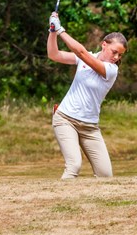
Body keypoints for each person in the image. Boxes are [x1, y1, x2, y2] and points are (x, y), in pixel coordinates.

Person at [47, 12, 127, 180]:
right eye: (114, 52)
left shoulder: (112, 70)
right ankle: (59, 202)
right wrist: (53, 32)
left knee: (105, 176)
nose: (116, 57)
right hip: (65, 119)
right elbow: (54, 55)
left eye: (120, 55)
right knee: (74, 165)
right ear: (104, 45)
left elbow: (82, 53)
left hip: (89, 127)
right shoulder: (85, 58)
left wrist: (61, 29)